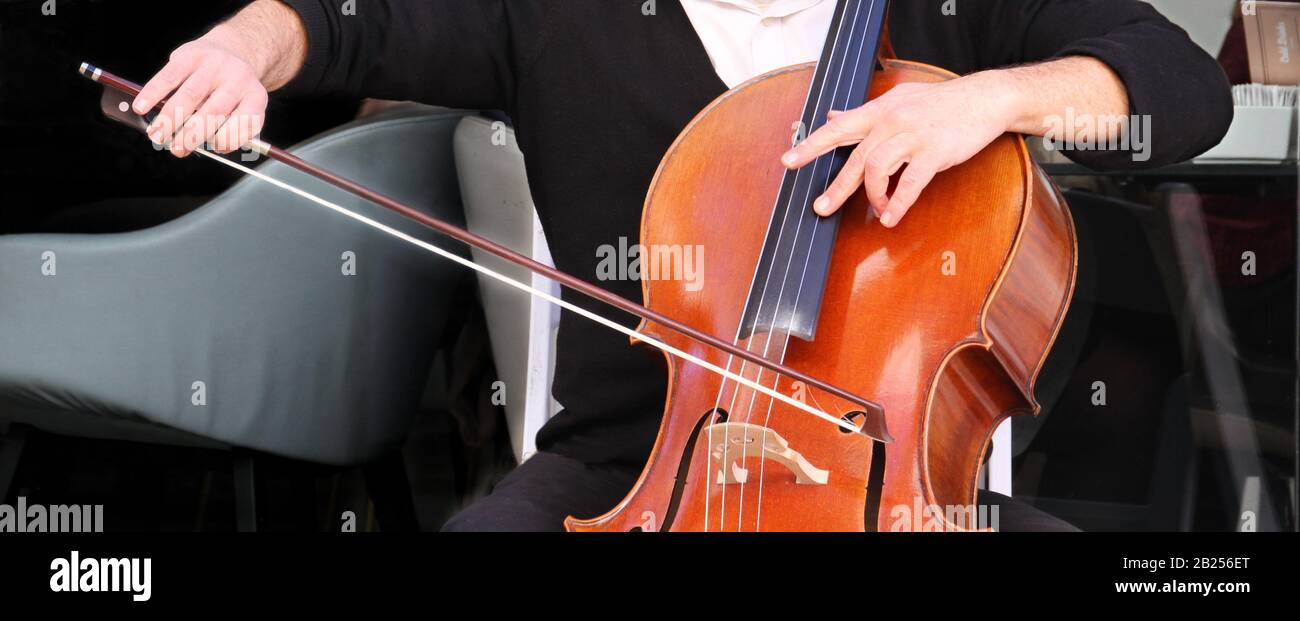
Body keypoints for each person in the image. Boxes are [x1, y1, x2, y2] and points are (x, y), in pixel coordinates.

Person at [131, 0, 1233, 531]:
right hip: (627, 472)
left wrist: (988, 99)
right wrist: (240, 49)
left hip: (894, 490)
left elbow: (1184, 87)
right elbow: (336, 23)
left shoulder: (954, 11)